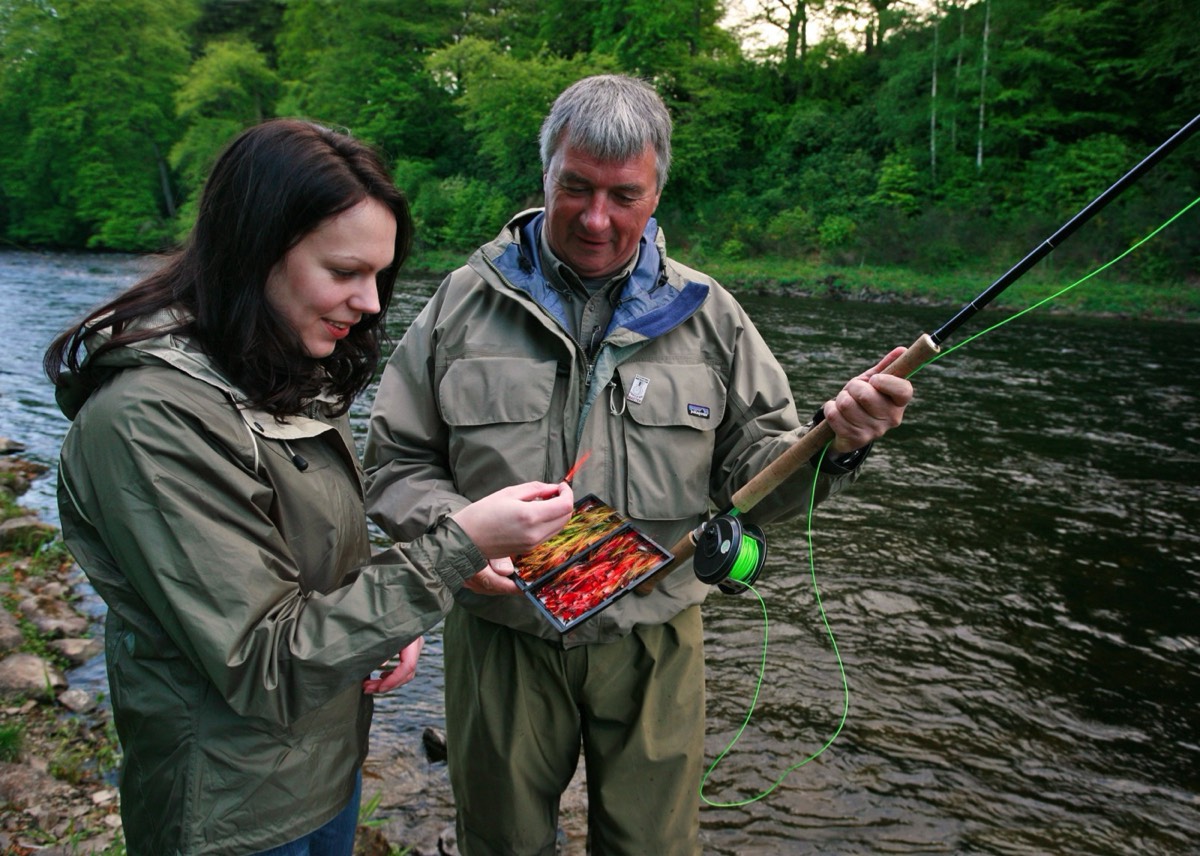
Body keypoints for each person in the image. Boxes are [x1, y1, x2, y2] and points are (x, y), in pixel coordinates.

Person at [363, 75, 914, 855]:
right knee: (500, 844)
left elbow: (761, 478)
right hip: (501, 633)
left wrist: (842, 440)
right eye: (575, 188)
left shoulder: (713, 317)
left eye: (624, 195)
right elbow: (394, 461)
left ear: (657, 191)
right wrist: (453, 538)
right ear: (545, 174)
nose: (596, 218)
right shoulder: (459, 303)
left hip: (656, 634)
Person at [43, 118, 573, 855]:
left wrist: (383, 628)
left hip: (322, 776)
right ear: (255, 250)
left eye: (380, 277)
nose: (372, 304)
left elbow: (309, 579)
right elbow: (262, 663)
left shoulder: (271, 369)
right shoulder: (147, 423)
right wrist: (455, 550)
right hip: (232, 815)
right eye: (345, 273)